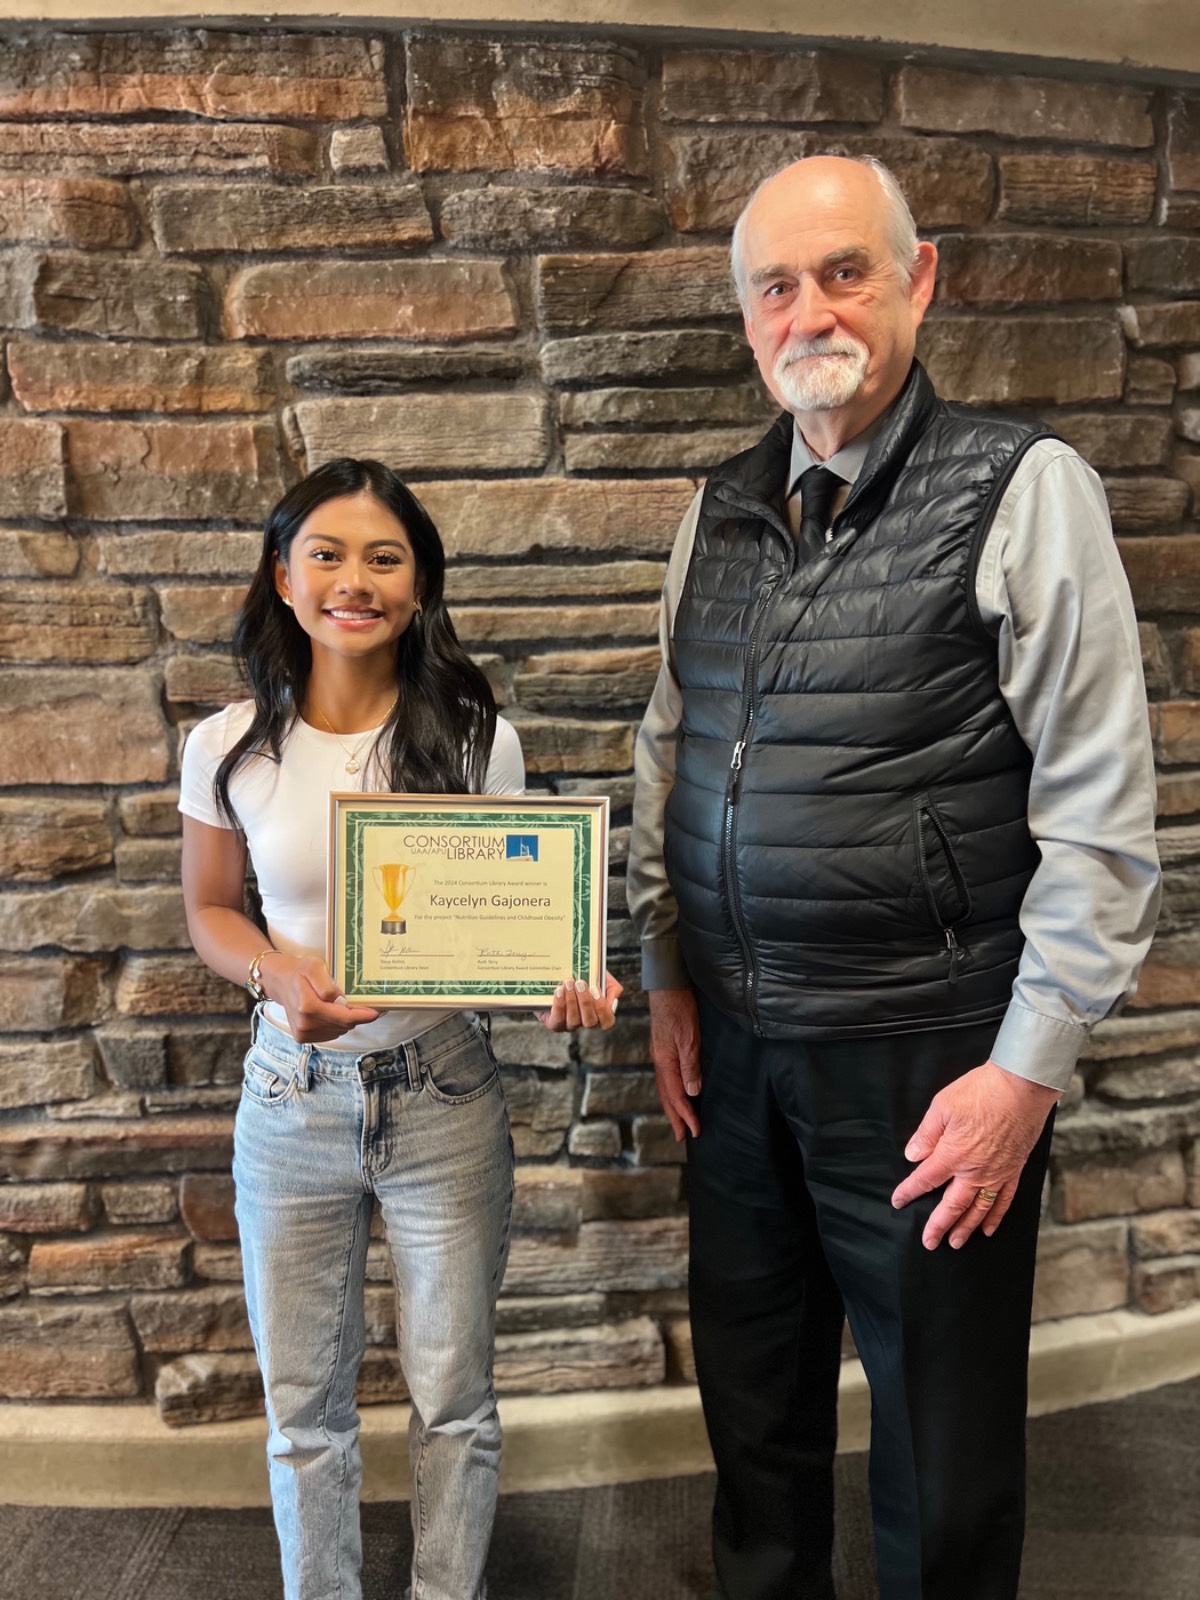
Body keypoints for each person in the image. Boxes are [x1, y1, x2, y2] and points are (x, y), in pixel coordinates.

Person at [628, 156, 1161, 1600]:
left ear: (919, 281)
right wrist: (667, 971)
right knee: (754, 1421)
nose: (813, 311)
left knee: (942, 1441)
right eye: (778, 285)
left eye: (847, 271)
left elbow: (1104, 817)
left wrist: (1025, 1074)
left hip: (929, 1065)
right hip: (733, 1055)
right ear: (748, 318)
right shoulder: (716, 511)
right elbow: (664, 756)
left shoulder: (1022, 489)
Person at [180, 457, 620, 1600]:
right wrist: (279, 972)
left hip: (445, 1099)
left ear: (419, 586)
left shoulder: (477, 740)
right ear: (284, 576)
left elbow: (511, 946)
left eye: (385, 557)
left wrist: (558, 987)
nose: (354, 580)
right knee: (303, 1411)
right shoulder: (228, 744)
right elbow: (210, 911)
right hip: (290, 1097)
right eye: (327, 553)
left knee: (454, 1398)